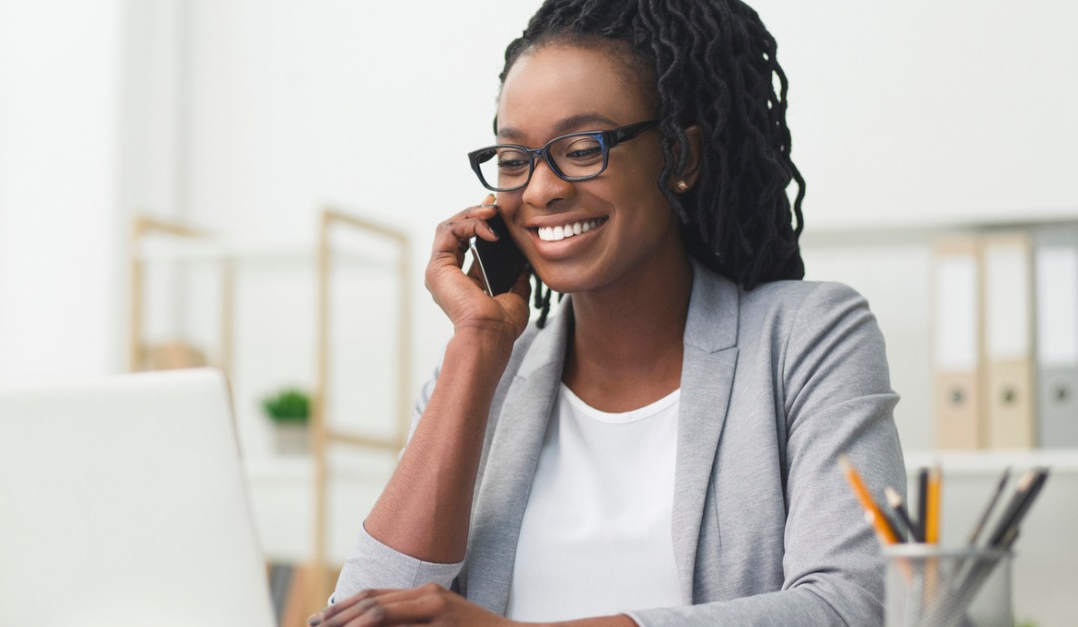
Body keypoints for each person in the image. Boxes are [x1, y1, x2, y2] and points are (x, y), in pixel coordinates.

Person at [312, 0, 905, 625]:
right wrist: (477, 346)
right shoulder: (485, 373)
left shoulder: (806, 338)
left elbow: (852, 606)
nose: (540, 189)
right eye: (515, 159)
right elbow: (358, 616)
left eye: (581, 147)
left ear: (681, 157)